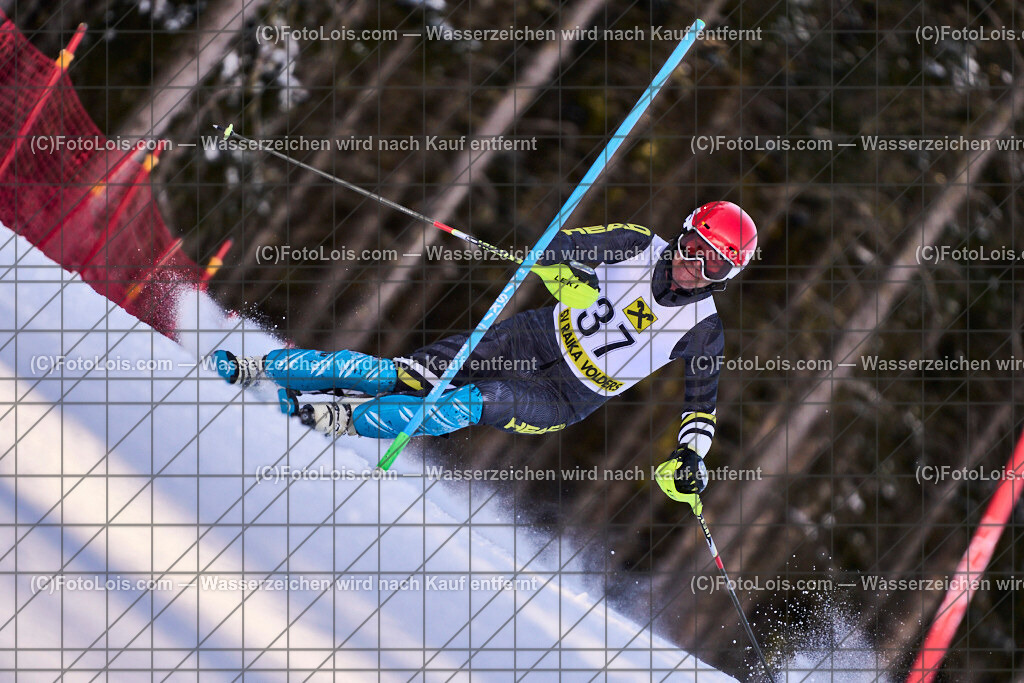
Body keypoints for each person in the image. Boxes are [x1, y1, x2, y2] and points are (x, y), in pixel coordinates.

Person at [214, 201, 758, 500]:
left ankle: (340, 418)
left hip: (569, 395)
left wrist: (690, 458)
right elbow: (556, 245)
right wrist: (564, 275)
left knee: (479, 399)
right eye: (693, 247)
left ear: (726, 276)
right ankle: (264, 365)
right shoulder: (636, 243)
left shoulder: (704, 329)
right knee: (409, 374)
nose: (693, 265)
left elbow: (700, 403)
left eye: (713, 264)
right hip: (536, 336)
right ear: (682, 233)